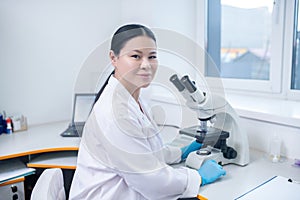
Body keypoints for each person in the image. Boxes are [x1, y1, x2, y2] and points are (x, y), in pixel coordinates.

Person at [69, 24, 225, 200]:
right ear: (114, 58)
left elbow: (145, 153)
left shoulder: (133, 97)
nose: (146, 65)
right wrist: (198, 177)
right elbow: (150, 179)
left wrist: (180, 152)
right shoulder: (115, 113)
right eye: (136, 56)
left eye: (152, 56)